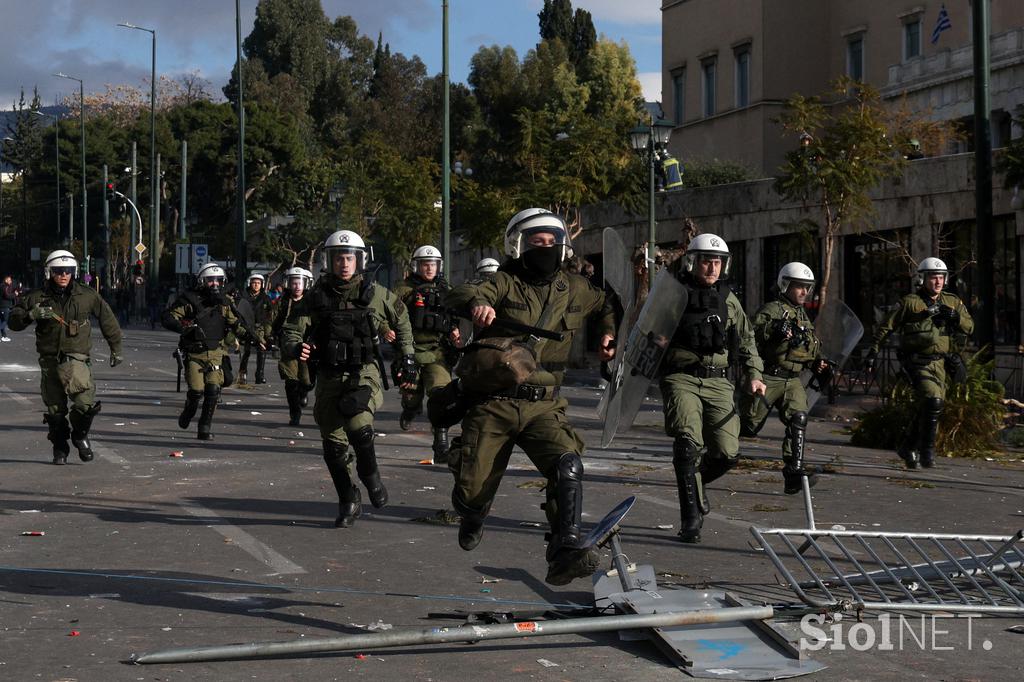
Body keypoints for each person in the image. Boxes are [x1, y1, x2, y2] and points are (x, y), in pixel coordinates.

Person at [443, 208, 616, 586]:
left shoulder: (574, 287)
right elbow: (464, 293)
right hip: (495, 403)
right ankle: (473, 511)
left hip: (545, 405)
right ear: (518, 245)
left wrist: (607, 334)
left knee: (568, 465)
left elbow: (605, 303)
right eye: (538, 242)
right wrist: (478, 306)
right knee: (471, 494)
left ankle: (564, 550)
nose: (547, 248)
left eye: (554, 241)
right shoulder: (504, 281)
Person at [281, 229, 418, 528]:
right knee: (333, 449)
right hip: (329, 376)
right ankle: (348, 498)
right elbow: (292, 329)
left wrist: (406, 356)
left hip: (364, 373)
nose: (345, 264)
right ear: (329, 261)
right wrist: (296, 346)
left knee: (358, 425)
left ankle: (372, 480)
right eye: (339, 258)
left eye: (350, 258)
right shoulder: (316, 297)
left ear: (360, 260)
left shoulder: (376, 294)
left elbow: (402, 319)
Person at [658, 234, 765, 544]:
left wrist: (754, 373)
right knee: (687, 444)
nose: (712, 267)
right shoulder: (673, 293)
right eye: (707, 261)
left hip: (719, 380)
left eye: (717, 262)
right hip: (681, 377)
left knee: (727, 453)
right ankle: (690, 518)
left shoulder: (728, 299)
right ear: (693, 261)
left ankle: (697, 484)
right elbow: (648, 328)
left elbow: (746, 339)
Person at [7, 251, 123, 464]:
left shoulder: (87, 295)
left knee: (84, 405)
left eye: (68, 271)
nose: (63, 275)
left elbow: (108, 319)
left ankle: (79, 435)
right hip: (49, 360)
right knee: (55, 411)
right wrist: (30, 315)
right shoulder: (35, 297)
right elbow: (13, 322)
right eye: (58, 271)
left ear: (74, 272)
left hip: (76, 359)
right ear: (49, 272)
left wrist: (116, 348)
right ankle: (60, 448)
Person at [865, 257, 974, 468]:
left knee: (931, 406)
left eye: (941, 277)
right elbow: (886, 326)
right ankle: (927, 453)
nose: (938, 282)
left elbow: (970, 327)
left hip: (942, 363)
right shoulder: (910, 303)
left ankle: (907, 446)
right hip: (917, 362)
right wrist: (873, 351)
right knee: (933, 400)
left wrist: (955, 318)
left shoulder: (952, 302)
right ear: (923, 278)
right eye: (933, 277)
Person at [739, 262, 828, 494]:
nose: (804, 292)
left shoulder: (803, 316)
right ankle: (715, 449)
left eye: (807, 287)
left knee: (798, 418)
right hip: (769, 376)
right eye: (799, 286)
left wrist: (818, 362)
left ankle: (794, 473)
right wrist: (773, 330)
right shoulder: (771, 310)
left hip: (793, 379)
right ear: (785, 285)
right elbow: (751, 335)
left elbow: (808, 347)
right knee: (748, 427)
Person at [162, 262, 259, 440]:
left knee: (213, 391)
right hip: (194, 354)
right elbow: (168, 317)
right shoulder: (190, 300)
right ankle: (189, 411)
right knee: (196, 390)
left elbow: (236, 324)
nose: (214, 284)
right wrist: (185, 328)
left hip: (216, 354)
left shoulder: (224, 303)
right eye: (210, 280)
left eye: (218, 280)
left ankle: (204, 427)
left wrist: (253, 339)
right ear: (201, 281)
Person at [393, 245, 461, 462]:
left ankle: (440, 443)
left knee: (440, 395)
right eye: (425, 264)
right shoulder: (403, 290)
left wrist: (455, 332)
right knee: (411, 395)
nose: (429, 268)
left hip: (436, 352)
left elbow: (456, 316)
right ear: (417, 265)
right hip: (410, 350)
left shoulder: (446, 290)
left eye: (433, 264)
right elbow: (389, 313)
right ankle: (410, 409)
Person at [272, 267, 315, 426]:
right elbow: (271, 320)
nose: (297, 286)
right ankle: (294, 413)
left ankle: (304, 391)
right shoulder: (282, 302)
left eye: (300, 283)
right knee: (291, 382)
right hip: (289, 345)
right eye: (293, 283)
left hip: (309, 344)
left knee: (307, 381)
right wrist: (268, 337)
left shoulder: (312, 303)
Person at [237, 273, 273, 384]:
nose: (256, 285)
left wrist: (268, 333)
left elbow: (269, 315)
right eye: (254, 283)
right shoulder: (243, 296)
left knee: (262, 348)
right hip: (246, 327)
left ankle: (260, 374)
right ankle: (242, 374)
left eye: (258, 283)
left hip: (260, 327)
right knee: (246, 351)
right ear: (250, 284)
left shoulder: (265, 298)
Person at [1, 274, 18, 341]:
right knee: (5, 321)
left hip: (2, 306)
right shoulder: (5, 286)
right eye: (9, 280)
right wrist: (15, 294)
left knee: (2, 321)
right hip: (5, 306)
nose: (11, 281)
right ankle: (3, 336)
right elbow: (7, 296)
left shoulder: (2, 286)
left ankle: (4, 336)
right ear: (6, 280)